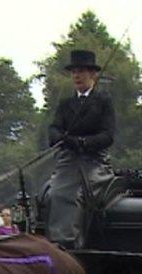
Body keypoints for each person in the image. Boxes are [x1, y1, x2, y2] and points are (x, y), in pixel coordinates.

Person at [41, 49, 116, 249]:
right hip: (68, 161)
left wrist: (83, 142)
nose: (77, 76)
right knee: (50, 193)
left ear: (93, 74)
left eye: (81, 71)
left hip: (93, 162)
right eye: (74, 72)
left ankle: (70, 243)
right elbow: (54, 127)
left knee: (73, 195)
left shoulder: (103, 102)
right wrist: (60, 138)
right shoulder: (66, 104)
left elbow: (108, 135)